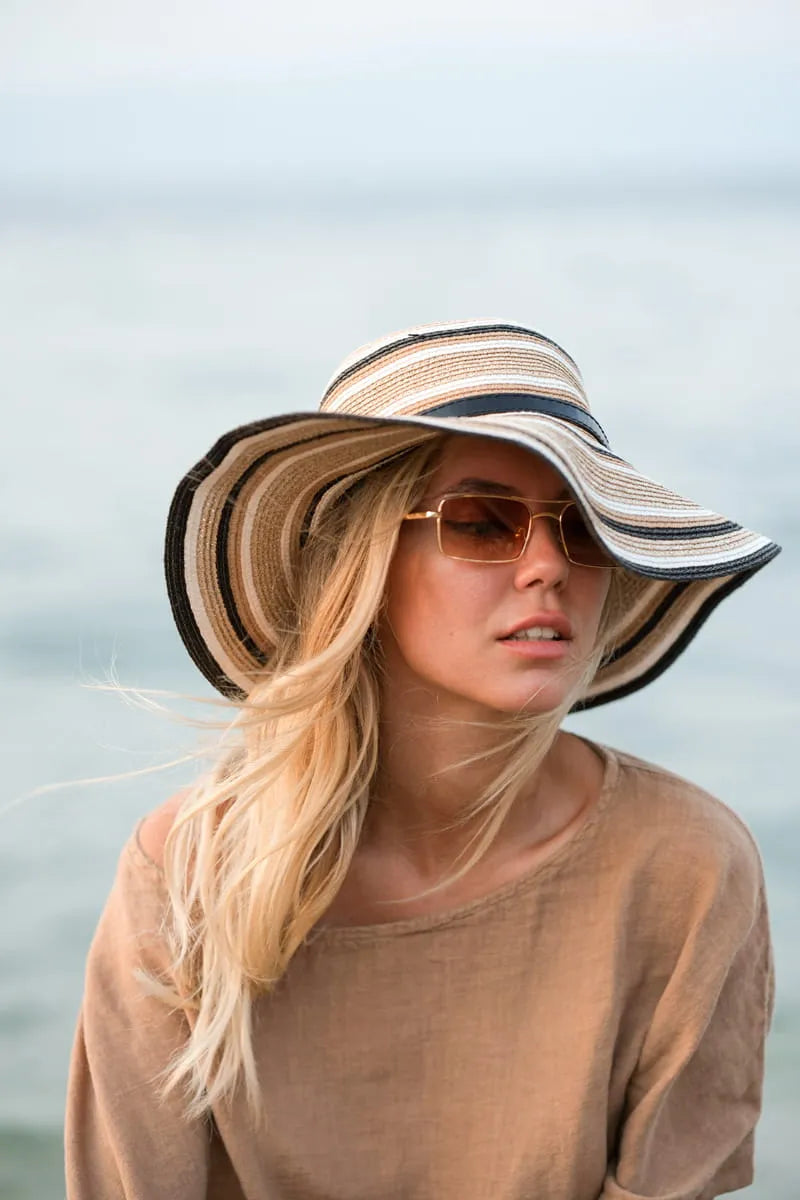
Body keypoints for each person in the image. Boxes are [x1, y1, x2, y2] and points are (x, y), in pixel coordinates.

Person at [65, 321, 779, 1199]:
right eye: (482, 523)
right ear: (359, 566)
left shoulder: (686, 866)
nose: (550, 565)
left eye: (583, 529)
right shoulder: (187, 877)